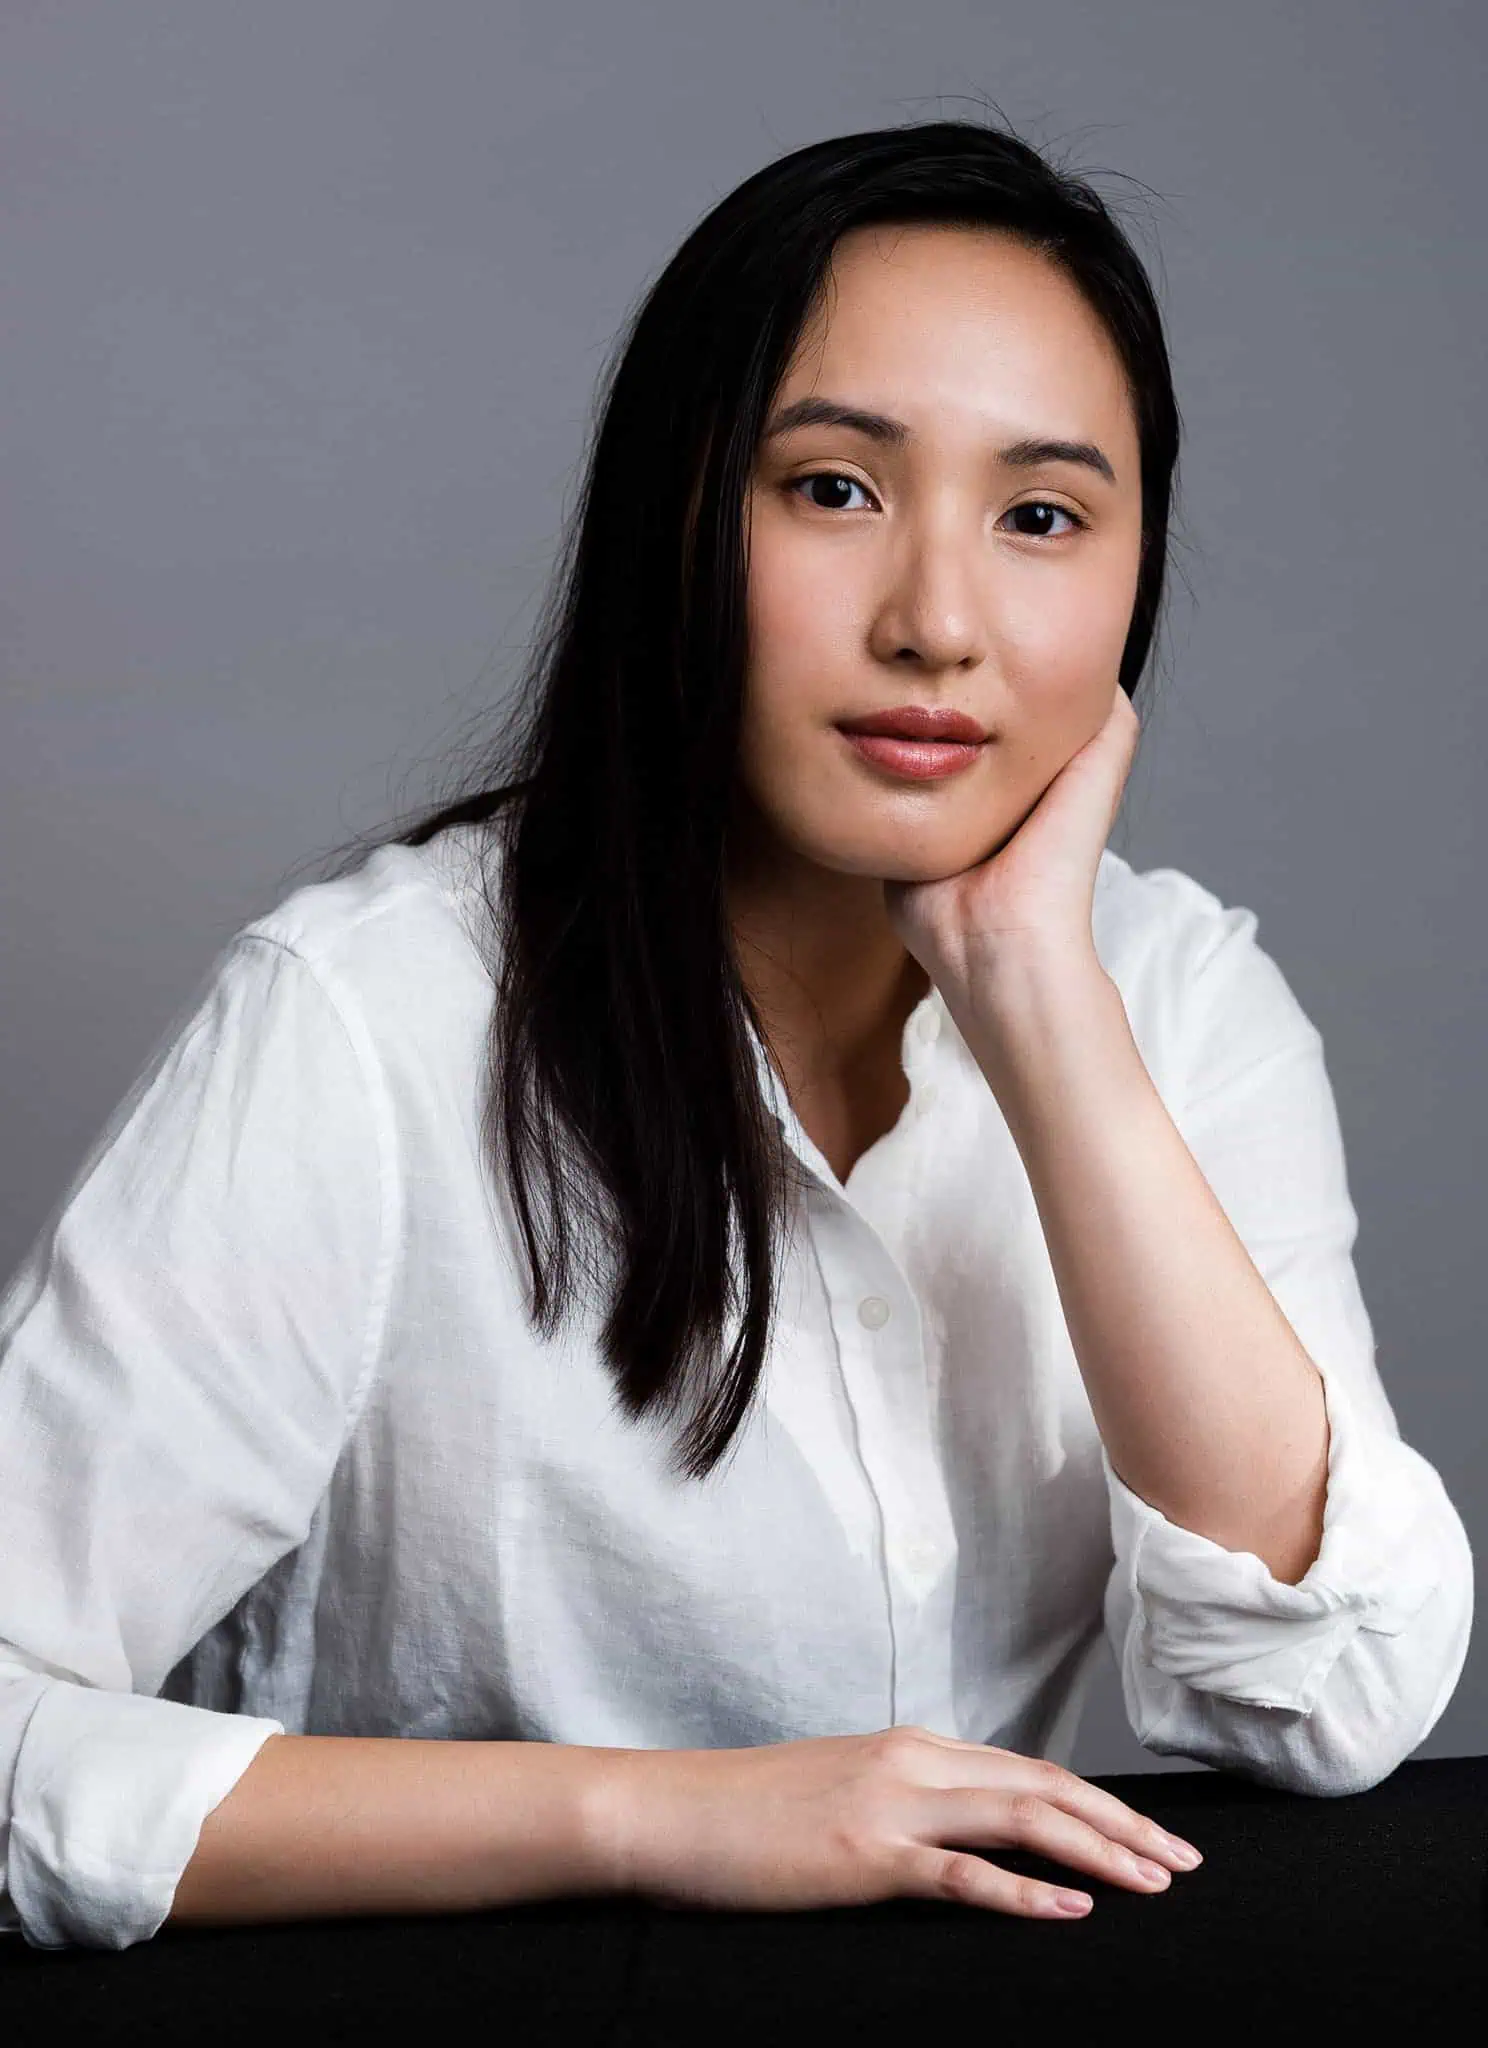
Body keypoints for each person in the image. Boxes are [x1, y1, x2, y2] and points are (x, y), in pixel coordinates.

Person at [0, 116, 1472, 1954]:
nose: (938, 622)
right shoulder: (370, 1023)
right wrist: (656, 1816)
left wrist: (1034, 994)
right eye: (833, 489)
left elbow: (1324, 1696)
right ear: (677, 519)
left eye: (1041, 518)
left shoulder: (1175, 1001)